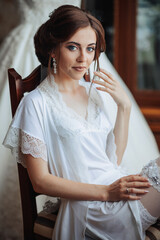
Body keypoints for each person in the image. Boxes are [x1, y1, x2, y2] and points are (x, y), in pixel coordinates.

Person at [3, 4, 160, 240]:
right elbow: (40, 182)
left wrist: (124, 107)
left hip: (114, 189)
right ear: (53, 50)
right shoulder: (34, 103)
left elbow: (111, 160)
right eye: (73, 47)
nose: (83, 59)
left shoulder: (92, 92)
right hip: (92, 208)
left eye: (90, 49)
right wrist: (107, 192)